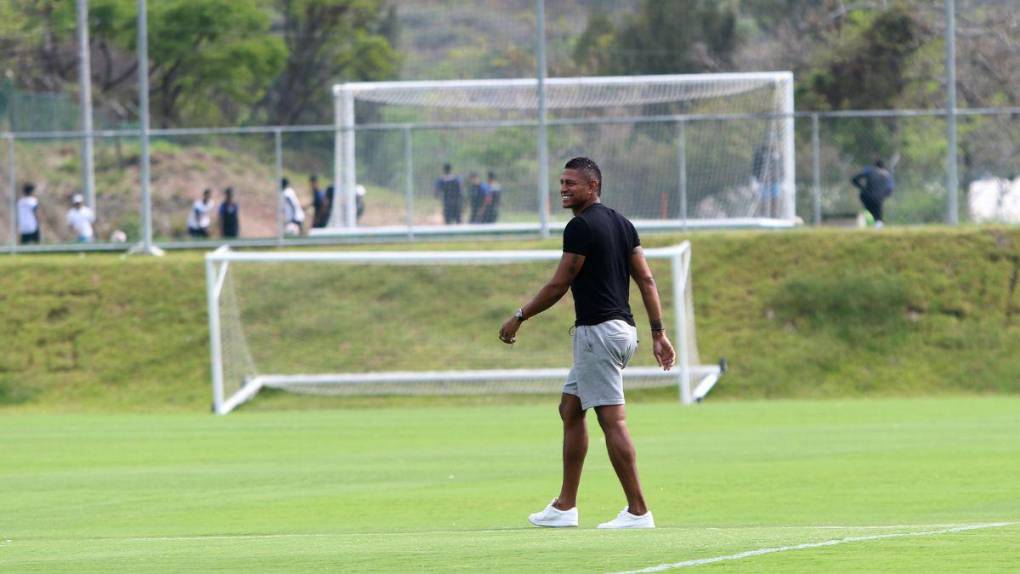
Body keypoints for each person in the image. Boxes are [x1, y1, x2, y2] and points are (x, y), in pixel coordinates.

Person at [499, 157, 676, 530]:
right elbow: (646, 280)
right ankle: (565, 506)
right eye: (561, 182)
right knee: (570, 409)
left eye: (571, 183)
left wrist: (519, 316)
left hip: (597, 333)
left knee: (613, 421)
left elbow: (558, 284)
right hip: (622, 332)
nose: (563, 188)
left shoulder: (579, 227)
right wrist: (658, 332)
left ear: (592, 186)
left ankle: (639, 511)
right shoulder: (622, 224)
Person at [851, 159, 895, 229]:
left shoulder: (869, 171)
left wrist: (862, 187)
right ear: (883, 167)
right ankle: (877, 225)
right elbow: (890, 188)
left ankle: (865, 222)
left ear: (874, 166)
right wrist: (884, 195)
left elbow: (854, 179)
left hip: (866, 196)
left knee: (868, 211)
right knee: (878, 215)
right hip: (878, 198)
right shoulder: (886, 175)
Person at [752, 144, 782, 218]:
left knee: (775, 200)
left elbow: (781, 168)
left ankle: (775, 218)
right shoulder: (759, 154)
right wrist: (754, 180)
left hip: (775, 181)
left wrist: (783, 180)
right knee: (763, 201)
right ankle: (763, 216)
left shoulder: (778, 155)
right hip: (763, 182)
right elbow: (755, 167)